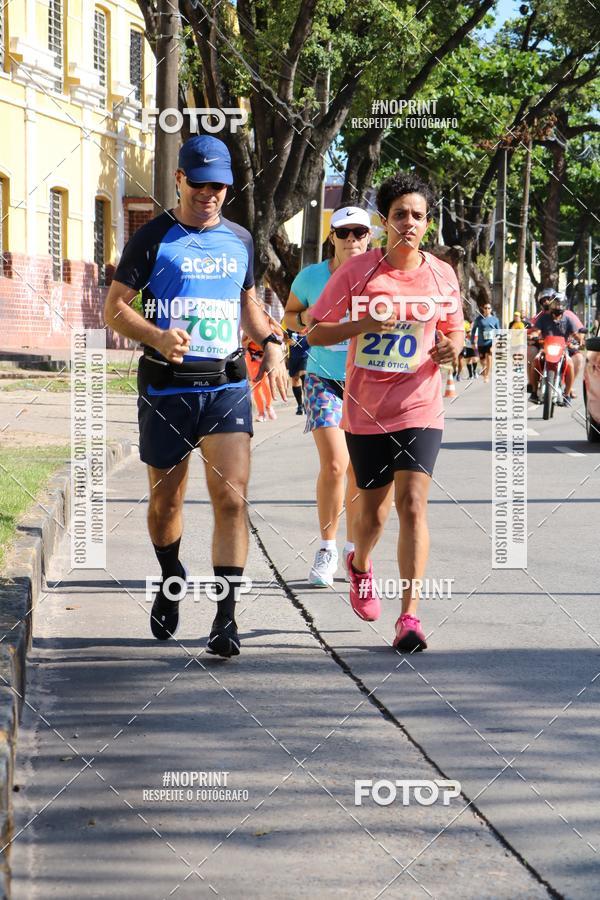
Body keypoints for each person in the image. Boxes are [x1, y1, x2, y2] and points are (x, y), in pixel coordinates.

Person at [104, 135, 287, 658]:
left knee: (231, 498)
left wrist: (270, 343)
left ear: (228, 187)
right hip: (166, 386)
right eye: (199, 182)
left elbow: (246, 306)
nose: (209, 193)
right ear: (180, 180)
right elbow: (114, 308)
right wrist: (157, 336)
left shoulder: (240, 240)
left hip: (225, 385)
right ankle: (170, 575)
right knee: (166, 503)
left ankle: (225, 619)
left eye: (219, 185)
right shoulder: (153, 238)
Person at [308, 172, 464, 652]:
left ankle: (410, 618)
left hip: (420, 405)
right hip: (366, 410)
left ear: (427, 223)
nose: (408, 223)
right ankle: (359, 566)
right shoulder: (358, 273)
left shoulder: (442, 274)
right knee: (372, 518)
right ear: (384, 221)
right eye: (400, 215)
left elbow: (455, 330)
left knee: (413, 505)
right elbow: (315, 332)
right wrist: (362, 323)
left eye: (418, 216)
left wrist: (450, 349)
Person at [285, 206, 374, 586]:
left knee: (359, 470)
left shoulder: (381, 275)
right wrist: (308, 322)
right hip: (324, 378)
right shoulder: (311, 277)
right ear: (332, 238)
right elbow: (290, 315)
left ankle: (355, 549)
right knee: (336, 464)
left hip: (368, 382)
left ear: (370, 237)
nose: (352, 240)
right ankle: (327, 548)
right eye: (344, 233)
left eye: (359, 233)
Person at [530, 297, 586, 404]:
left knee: (570, 364)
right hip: (545, 348)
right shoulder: (543, 318)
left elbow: (575, 334)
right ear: (551, 305)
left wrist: (581, 340)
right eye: (555, 304)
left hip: (563, 350)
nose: (558, 307)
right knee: (535, 361)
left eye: (560, 304)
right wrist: (533, 335)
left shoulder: (568, 319)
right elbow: (536, 331)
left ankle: (567, 394)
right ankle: (533, 391)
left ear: (564, 306)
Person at [244, 336, 276, 422]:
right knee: (256, 384)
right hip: (252, 356)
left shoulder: (269, 324)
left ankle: (269, 406)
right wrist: (249, 340)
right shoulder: (247, 327)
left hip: (265, 355)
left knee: (265, 382)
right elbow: (243, 344)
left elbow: (277, 337)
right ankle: (261, 413)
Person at [471, 303, 500, 382]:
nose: (487, 309)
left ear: (491, 309)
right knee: (482, 361)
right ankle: (484, 370)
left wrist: (495, 344)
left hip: (491, 342)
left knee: (489, 358)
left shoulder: (495, 319)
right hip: (481, 343)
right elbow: (473, 331)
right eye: (485, 308)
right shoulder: (479, 319)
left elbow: (498, 332)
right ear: (483, 309)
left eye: (488, 308)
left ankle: (486, 375)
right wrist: (472, 342)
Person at [286, 329, 309, 414]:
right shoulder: (287, 322)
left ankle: (307, 404)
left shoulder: (307, 319)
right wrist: (287, 340)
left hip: (306, 354)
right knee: (295, 379)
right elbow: (281, 337)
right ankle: (300, 405)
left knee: (304, 376)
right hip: (293, 356)